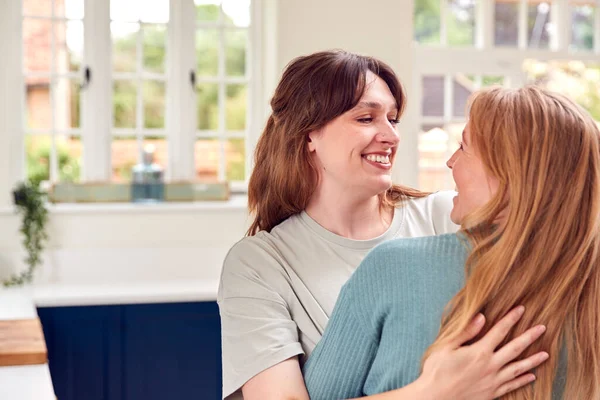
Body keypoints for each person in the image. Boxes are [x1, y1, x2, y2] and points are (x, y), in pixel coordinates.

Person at [218, 50, 548, 400]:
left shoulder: (444, 217)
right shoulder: (259, 264)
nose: (390, 136)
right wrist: (434, 392)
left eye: (393, 119)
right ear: (309, 133)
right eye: (366, 119)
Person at [303, 85, 600, 399]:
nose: (450, 162)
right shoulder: (588, 286)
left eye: (464, 146)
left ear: (512, 173)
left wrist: (429, 393)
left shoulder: (397, 268)